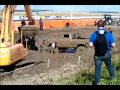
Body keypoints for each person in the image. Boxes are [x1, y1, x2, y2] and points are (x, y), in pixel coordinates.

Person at [89, 20, 116, 85]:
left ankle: (97, 82)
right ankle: (114, 79)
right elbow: (113, 45)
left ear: (97, 26)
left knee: (97, 69)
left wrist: (96, 44)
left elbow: (90, 45)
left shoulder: (94, 34)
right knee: (109, 66)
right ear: (104, 26)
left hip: (97, 55)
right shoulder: (108, 34)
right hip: (107, 54)